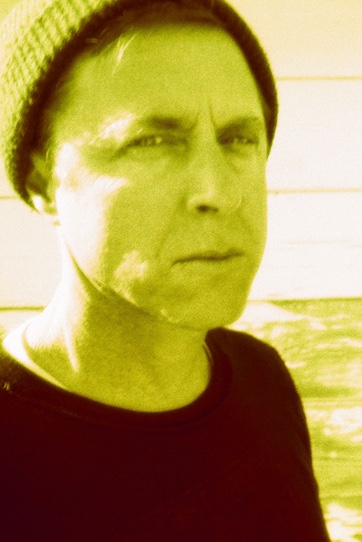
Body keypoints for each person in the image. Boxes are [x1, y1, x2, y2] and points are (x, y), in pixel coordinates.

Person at [0, 0, 331, 540]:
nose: (219, 192)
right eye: (152, 142)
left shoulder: (262, 379)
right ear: (43, 184)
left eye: (238, 139)